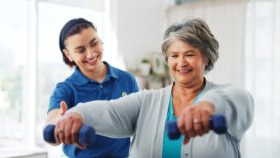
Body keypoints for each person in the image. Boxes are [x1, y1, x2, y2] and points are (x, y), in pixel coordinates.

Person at [53, 18, 254, 158]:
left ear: (206, 57)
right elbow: (109, 110)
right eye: (174, 55)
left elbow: (239, 98)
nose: (181, 62)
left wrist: (208, 106)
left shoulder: (225, 96)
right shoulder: (147, 101)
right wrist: (77, 115)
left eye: (190, 54)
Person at [44, 18, 139, 158]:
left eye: (94, 43)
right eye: (81, 50)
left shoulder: (127, 79)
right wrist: (59, 122)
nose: (91, 54)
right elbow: (52, 122)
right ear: (68, 54)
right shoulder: (65, 89)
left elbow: (139, 121)